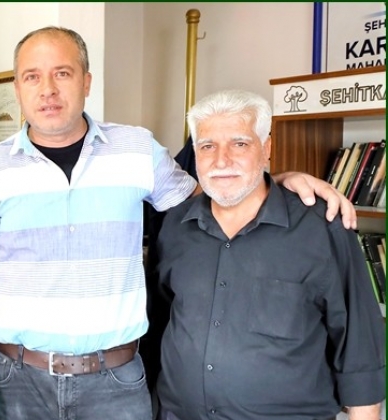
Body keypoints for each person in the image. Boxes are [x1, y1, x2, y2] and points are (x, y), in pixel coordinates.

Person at [0, 26, 358, 420]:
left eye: (63, 73)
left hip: (116, 383)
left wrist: (279, 181)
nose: (48, 89)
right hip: (19, 380)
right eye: (32, 77)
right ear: (18, 88)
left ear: (87, 82)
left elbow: (218, 198)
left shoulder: (138, 150)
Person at [155, 90, 385, 420]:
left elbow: (359, 349)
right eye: (207, 146)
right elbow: (162, 321)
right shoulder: (175, 226)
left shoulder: (322, 228)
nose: (221, 161)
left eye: (239, 144)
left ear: (267, 149)